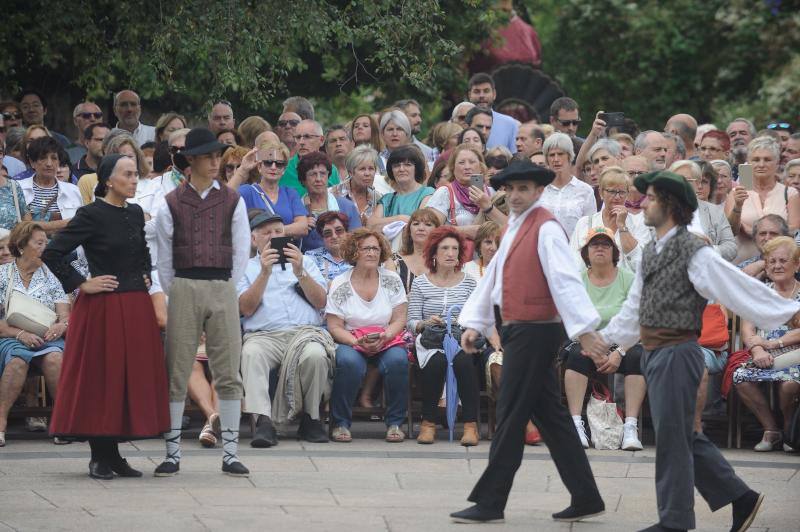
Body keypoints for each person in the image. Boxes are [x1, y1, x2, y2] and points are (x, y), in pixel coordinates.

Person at [599, 169, 800, 531]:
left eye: (653, 198)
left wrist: (787, 310)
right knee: (678, 435)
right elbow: (635, 307)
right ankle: (741, 497)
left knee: (675, 439)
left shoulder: (695, 250)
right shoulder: (651, 252)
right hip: (656, 353)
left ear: (672, 206)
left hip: (679, 352)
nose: (644, 203)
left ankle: (675, 521)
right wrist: (610, 341)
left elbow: (735, 286)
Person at [450, 160, 606, 524]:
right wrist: (476, 322)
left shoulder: (547, 227)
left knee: (510, 410)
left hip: (537, 330)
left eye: (524, 189)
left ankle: (490, 501)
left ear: (538, 191)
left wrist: (584, 329)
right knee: (550, 416)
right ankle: (585, 495)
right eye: (512, 189)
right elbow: (495, 280)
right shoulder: (517, 225)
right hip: (520, 327)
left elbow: (565, 279)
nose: (517, 195)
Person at [43, 154, 169, 479]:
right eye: (127, 174)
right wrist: (83, 283)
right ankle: (99, 455)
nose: (133, 179)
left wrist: (143, 274)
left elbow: (141, 250)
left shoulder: (136, 212)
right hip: (103, 308)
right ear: (108, 180)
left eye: (135, 174)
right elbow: (52, 252)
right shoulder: (91, 214)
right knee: (103, 378)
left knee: (126, 378)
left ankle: (114, 455)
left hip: (136, 305)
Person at [154, 128, 251, 478]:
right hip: (184, 284)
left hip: (222, 283)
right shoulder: (170, 202)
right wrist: (177, 288)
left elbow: (242, 249)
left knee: (228, 371)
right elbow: (163, 255)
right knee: (177, 369)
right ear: (190, 160)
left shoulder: (232, 200)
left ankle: (230, 454)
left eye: (216, 156)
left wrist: (226, 284)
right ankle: (172, 453)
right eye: (209, 156)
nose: (215, 161)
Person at [239, 212, 333, 447]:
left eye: (278, 232)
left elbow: (321, 302)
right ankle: (263, 422)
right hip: (264, 336)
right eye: (266, 233)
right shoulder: (245, 268)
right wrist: (264, 272)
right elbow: (246, 309)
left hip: (304, 332)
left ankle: (311, 420)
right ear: (254, 239)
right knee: (251, 353)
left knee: (316, 355)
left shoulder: (306, 262)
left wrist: (300, 270)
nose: (274, 237)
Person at [562, 226, 645, 450]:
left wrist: (620, 352)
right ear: (586, 252)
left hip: (623, 343)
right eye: (594, 244)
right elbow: (572, 318)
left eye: (606, 244)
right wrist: (594, 349)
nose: (600, 248)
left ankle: (630, 427)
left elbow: (638, 320)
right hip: (586, 342)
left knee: (637, 357)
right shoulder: (577, 281)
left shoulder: (629, 279)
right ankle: (576, 424)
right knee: (576, 357)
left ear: (614, 252)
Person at [327, 228, 409, 443]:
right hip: (351, 338)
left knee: (398, 360)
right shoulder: (340, 283)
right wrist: (356, 341)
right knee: (348, 362)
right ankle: (341, 423)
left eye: (376, 248)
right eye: (366, 249)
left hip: (386, 338)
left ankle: (395, 423)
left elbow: (400, 318)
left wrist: (387, 335)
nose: (372, 253)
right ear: (354, 252)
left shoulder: (391, 279)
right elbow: (334, 326)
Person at [408, 227, 481, 446]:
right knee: (436, 362)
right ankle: (428, 423)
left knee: (463, 361)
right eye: (445, 248)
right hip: (431, 340)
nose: (450, 253)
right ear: (434, 253)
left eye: (455, 249)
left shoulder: (469, 283)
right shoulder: (420, 282)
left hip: (460, 338)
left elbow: (476, 318)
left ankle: (470, 425)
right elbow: (411, 323)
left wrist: (460, 323)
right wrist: (425, 323)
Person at [0, 222, 69, 448]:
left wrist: (60, 326)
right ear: (20, 246)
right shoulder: (3, 274)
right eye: (39, 243)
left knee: (55, 358)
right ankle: (0, 423)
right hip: (10, 336)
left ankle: (63, 424)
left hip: (47, 338)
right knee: (17, 362)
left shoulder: (50, 273)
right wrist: (20, 333)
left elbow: (64, 315)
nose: (44, 248)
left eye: (45, 243)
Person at [733, 236, 800, 452]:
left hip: (795, 354)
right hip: (765, 354)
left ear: (796, 264)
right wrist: (757, 349)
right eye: (772, 261)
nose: (777, 266)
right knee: (740, 377)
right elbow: (747, 329)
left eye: (783, 260)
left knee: (789, 384)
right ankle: (771, 429)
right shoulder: (759, 292)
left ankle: (790, 428)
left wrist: (772, 343)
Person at [725, 136, 800, 259]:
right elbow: (730, 232)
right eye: (756, 159)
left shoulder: (790, 193)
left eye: (767, 159)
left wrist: (756, 232)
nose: (761, 164)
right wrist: (738, 207)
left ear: (777, 163)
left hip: (779, 263)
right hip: (742, 264)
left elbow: (795, 230)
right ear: (748, 163)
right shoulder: (737, 192)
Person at [569, 166, 650, 272]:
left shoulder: (639, 223)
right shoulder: (584, 223)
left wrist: (622, 226)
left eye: (621, 192)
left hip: (626, 286)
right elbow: (573, 263)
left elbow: (640, 263)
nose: (617, 197)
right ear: (601, 193)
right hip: (591, 285)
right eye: (612, 191)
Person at [427, 144, 507, 240]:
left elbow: (511, 228)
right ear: (453, 168)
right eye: (461, 162)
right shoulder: (445, 192)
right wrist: (465, 231)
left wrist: (488, 207)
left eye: (472, 162)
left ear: (481, 167)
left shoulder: (492, 193)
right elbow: (430, 229)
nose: (467, 167)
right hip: (455, 253)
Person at [232, 141, 308, 239]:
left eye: (279, 164)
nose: (273, 167)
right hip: (257, 253)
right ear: (259, 167)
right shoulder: (248, 191)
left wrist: (271, 233)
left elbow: (303, 227)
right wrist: (242, 169)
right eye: (268, 162)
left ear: (284, 170)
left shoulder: (290, 193)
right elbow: (223, 199)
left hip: (286, 252)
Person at [670, 160, 737, 262]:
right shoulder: (658, 211)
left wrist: (709, 249)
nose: (680, 184)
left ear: (697, 184)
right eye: (676, 180)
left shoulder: (714, 212)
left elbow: (731, 247)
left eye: (686, 180)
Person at [298, 151, 361, 252]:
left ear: (328, 176)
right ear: (303, 180)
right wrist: (299, 227)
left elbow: (358, 242)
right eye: (313, 174)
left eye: (323, 173)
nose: (318, 179)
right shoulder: (297, 210)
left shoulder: (346, 206)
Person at [19, 137, 82, 234]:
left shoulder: (73, 191)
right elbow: (20, 227)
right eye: (43, 158)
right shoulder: (18, 188)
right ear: (32, 162)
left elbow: (80, 227)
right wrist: (67, 223)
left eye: (54, 158)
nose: (49, 164)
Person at [539, 132, 597, 238]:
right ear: (547, 159)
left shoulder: (585, 190)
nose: (556, 159)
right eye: (552, 155)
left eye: (560, 154)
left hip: (574, 251)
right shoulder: (538, 190)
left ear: (569, 156)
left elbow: (591, 228)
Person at [368, 145, 434, 231]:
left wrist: (384, 223)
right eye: (396, 166)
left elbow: (420, 224)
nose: (401, 169)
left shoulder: (427, 193)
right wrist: (399, 218)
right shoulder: (387, 199)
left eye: (407, 165)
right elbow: (370, 225)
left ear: (416, 169)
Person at [385, 207, 441, 292]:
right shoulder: (393, 261)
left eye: (428, 224)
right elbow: (389, 294)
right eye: (416, 224)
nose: (421, 228)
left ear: (437, 231)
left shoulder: (443, 262)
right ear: (409, 231)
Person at [280, 120, 341, 195]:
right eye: (298, 137)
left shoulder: (332, 169)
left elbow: (337, 201)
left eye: (307, 137)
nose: (301, 142)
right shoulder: (284, 168)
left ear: (321, 140)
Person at [330, 145, 383, 226]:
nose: (367, 173)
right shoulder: (333, 194)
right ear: (351, 172)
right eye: (362, 169)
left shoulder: (378, 198)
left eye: (371, 169)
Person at [466, 73, 518, 152]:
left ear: (494, 94)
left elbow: (515, 157)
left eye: (486, 91)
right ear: (469, 95)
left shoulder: (510, 124)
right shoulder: (460, 120)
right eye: (477, 91)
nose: (481, 96)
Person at [305, 211, 354, 284]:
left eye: (339, 230)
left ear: (347, 233)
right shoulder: (312, 257)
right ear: (322, 237)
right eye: (328, 233)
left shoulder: (357, 255)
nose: (334, 236)